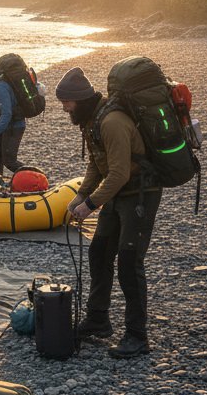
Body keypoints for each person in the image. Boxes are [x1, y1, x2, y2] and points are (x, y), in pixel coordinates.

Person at [56, 66, 162, 359]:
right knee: (99, 252)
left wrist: (89, 205)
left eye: (67, 102)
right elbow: (97, 163)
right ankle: (98, 319)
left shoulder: (112, 121)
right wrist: (80, 194)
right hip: (117, 194)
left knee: (129, 261)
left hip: (139, 193)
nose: (65, 108)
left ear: (80, 98)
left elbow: (118, 174)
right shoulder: (93, 120)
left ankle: (137, 336)